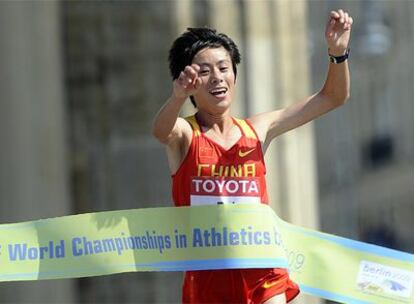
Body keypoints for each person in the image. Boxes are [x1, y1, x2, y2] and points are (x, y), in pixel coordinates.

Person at [152, 9, 353, 304]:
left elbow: (332, 97)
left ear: (234, 73)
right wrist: (177, 97)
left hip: (264, 274)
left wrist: (338, 53)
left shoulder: (257, 130)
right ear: (190, 82)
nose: (217, 78)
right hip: (208, 281)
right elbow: (160, 131)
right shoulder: (185, 134)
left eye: (224, 68)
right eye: (204, 72)